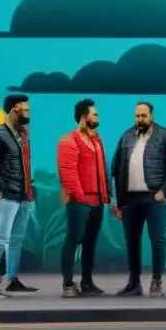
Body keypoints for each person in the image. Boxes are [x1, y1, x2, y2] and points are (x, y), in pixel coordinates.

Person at [109, 102, 166, 297]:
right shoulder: (126, 136)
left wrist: (164, 191)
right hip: (130, 199)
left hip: (154, 198)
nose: (139, 119)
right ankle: (134, 283)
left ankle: (156, 281)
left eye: (143, 116)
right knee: (132, 241)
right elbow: (116, 168)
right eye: (137, 116)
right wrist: (117, 200)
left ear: (152, 115)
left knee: (158, 240)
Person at [0, 93, 38, 297]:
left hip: (23, 195)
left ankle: (12, 279)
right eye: (26, 109)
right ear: (15, 108)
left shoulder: (22, 135)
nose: (28, 113)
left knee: (15, 240)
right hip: (6, 194)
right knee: (0, 237)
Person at [57, 98, 110, 298]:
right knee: (73, 240)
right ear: (83, 117)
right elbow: (68, 172)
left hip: (97, 202)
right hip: (80, 201)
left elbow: (102, 171)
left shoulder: (97, 140)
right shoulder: (68, 141)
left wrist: (105, 197)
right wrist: (79, 198)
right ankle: (68, 283)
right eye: (94, 114)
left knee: (90, 243)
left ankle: (87, 282)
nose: (97, 117)